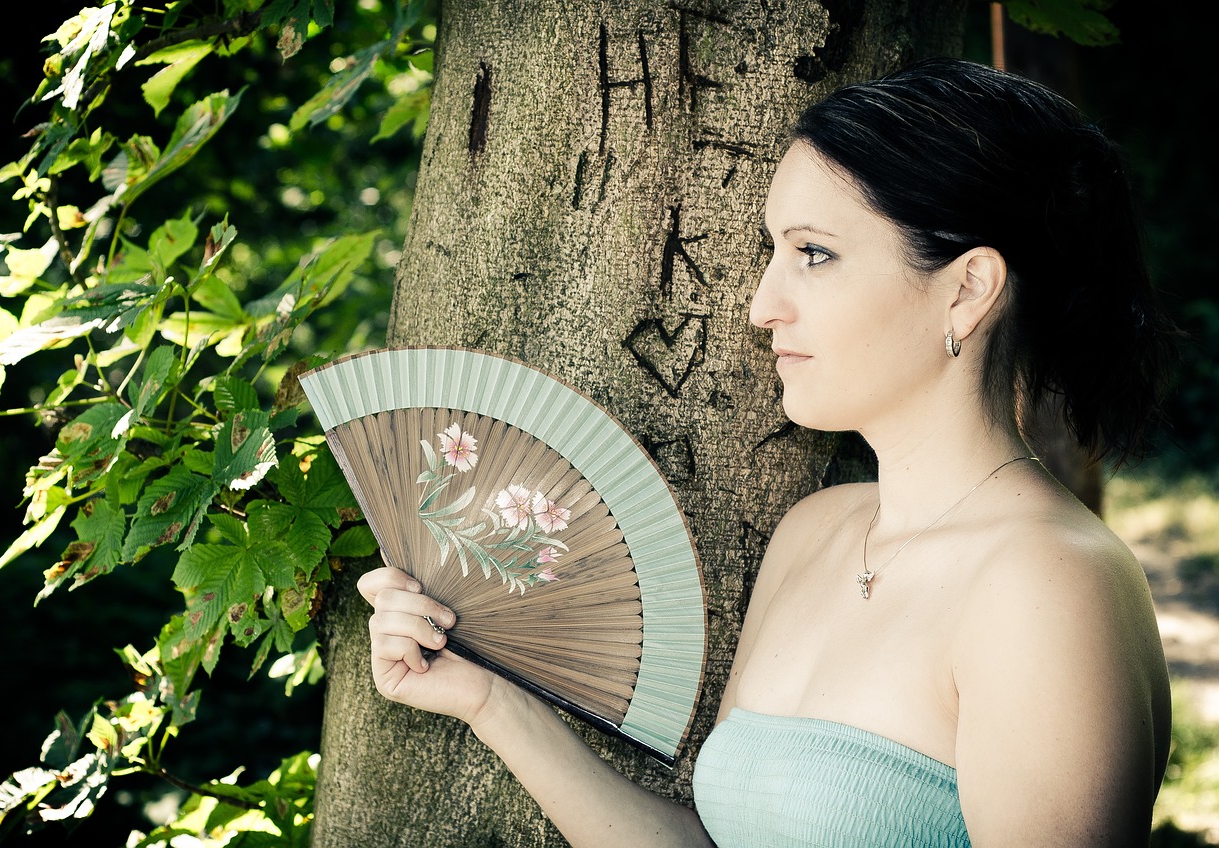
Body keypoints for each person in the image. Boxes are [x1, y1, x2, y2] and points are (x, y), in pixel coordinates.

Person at [357, 56, 1179, 847]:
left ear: (967, 289)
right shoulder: (815, 531)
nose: (761, 305)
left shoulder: (1048, 583)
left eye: (813, 253)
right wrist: (489, 699)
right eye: (772, 251)